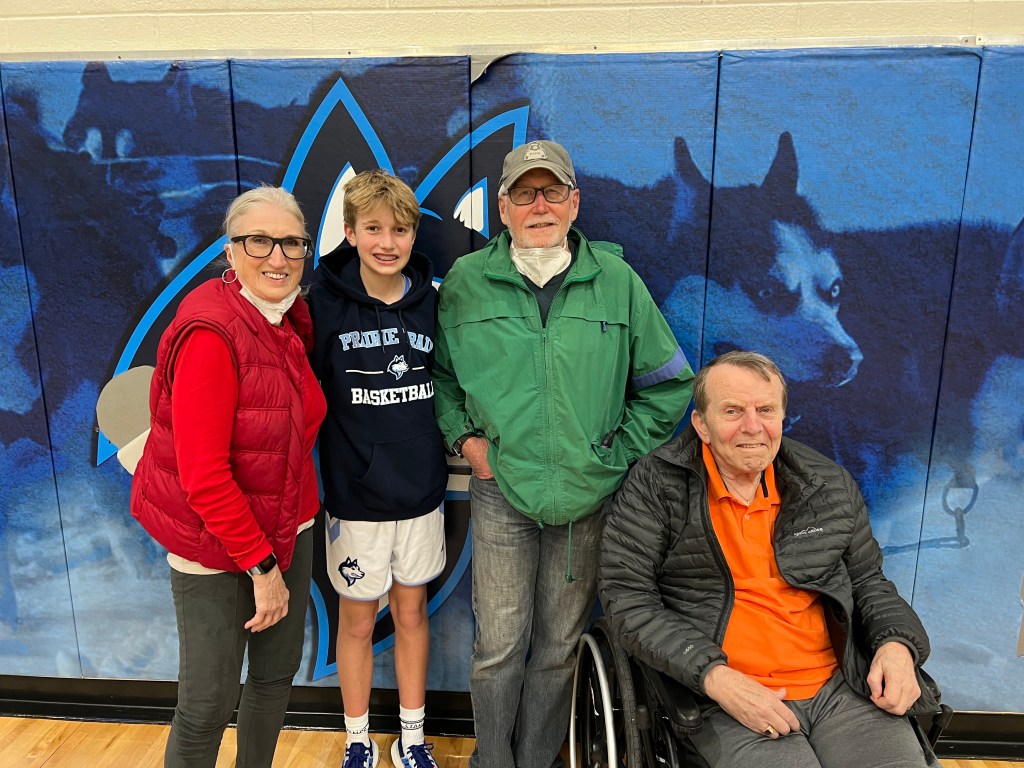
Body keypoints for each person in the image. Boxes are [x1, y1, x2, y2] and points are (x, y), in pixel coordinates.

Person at [433, 139, 694, 768]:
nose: (539, 206)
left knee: (558, 646)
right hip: (501, 491)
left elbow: (669, 385)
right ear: (503, 208)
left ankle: (534, 759)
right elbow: (440, 378)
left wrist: (615, 453)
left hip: (588, 496)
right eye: (524, 193)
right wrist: (466, 442)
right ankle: (492, 762)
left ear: (574, 203)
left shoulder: (617, 282)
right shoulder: (467, 282)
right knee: (498, 646)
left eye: (552, 191)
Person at [599, 350, 940, 768]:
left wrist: (896, 644)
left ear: (782, 417)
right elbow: (628, 597)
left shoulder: (826, 484)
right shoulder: (656, 486)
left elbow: (868, 580)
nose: (752, 426)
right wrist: (715, 678)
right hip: (727, 693)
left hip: (841, 685)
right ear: (701, 424)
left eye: (765, 410)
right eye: (732, 411)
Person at [130, 186, 326, 767]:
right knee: (207, 704)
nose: (278, 257)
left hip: (289, 527)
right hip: (218, 548)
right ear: (231, 251)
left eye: (291, 243)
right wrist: (263, 570)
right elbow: (205, 477)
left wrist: (281, 549)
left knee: (274, 678)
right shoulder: (212, 334)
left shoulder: (286, 318)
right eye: (259, 241)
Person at [308, 170, 448, 768]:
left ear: (414, 235)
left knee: (412, 613)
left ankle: (412, 739)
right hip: (356, 499)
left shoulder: (434, 303)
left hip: (420, 495)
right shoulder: (321, 306)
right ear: (350, 232)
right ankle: (357, 738)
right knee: (358, 622)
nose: (387, 242)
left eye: (399, 230)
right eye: (373, 229)